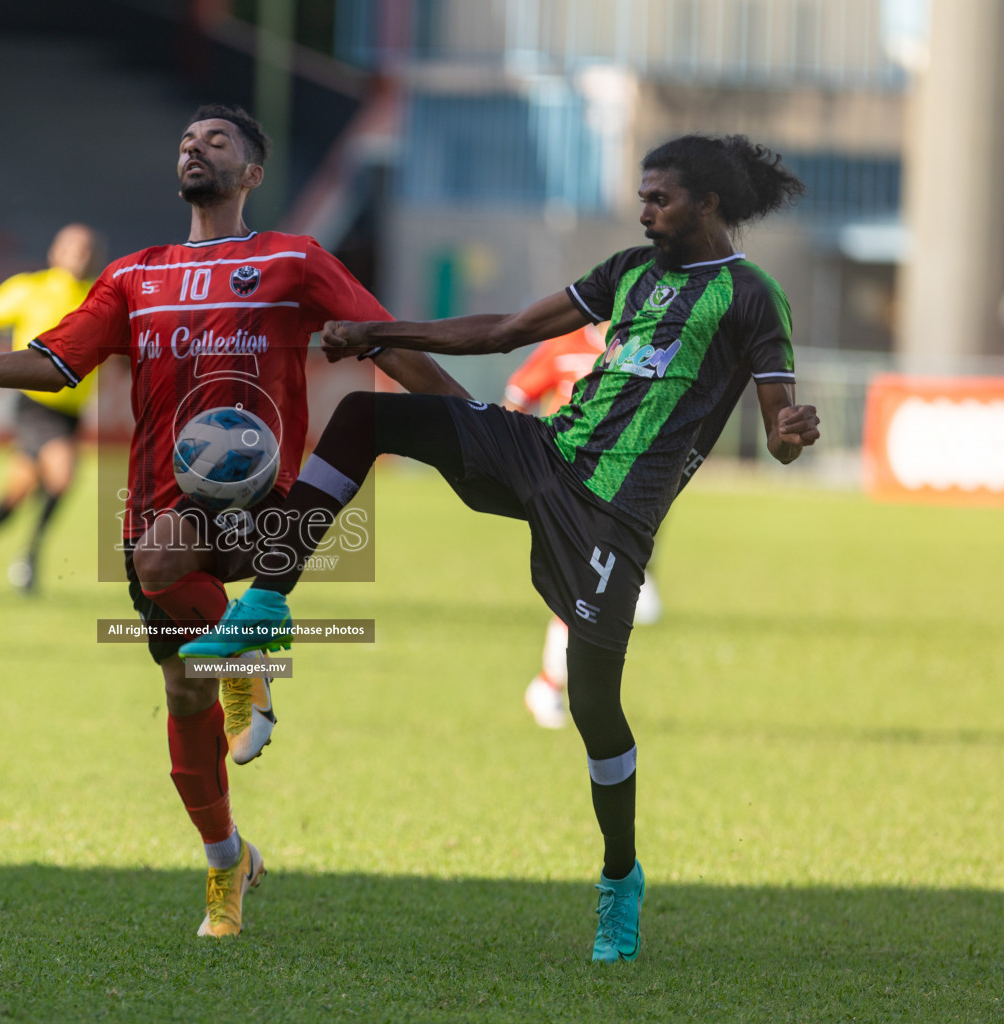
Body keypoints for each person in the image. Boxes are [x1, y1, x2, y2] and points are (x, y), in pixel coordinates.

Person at [183, 134, 820, 962]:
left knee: (593, 707)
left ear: (705, 203)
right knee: (367, 419)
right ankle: (266, 603)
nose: (643, 209)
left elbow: (780, 430)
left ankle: (619, 883)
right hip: (545, 453)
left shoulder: (751, 297)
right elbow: (510, 330)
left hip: (612, 519)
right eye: (642, 194)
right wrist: (383, 332)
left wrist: (793, 434)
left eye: (659, 197)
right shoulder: (628, 270)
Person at [0, 104, 468, 937]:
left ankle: (247, 655)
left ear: (253, 174)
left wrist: (468, 416)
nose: (196, 147)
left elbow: (382, 339)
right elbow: (51, 364)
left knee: (157, 562)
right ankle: (229, 863)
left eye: (217, 141)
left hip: (264, 499)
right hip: (158, 494)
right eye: (188, 140)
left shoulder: (292, 259)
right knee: (183, 691)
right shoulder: (133, 276)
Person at [502, 324, 664, 729]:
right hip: (566, 484)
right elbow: (519, 396)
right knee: (584, 588)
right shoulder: (564, 345)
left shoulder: (644, 349)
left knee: (589, 591)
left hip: (619, 489)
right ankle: (551, 686)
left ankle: (552, 685)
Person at [0, 223, 105, 595]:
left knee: (18, 494)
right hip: (34, 403)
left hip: (71, 412)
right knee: (64, 476)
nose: (79, 256)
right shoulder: (30, 289)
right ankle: (29, 558)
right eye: (72, 248)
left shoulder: (100, 297)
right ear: (55, 252)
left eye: (86, 249)